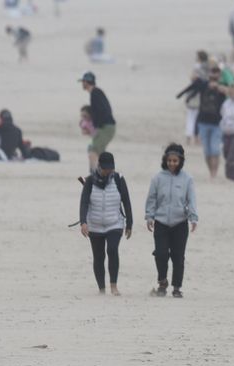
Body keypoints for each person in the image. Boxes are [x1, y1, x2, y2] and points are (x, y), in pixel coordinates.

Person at [144, 144, 198, 299]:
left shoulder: (187, 179)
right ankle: (162, 282)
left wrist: (193, 217)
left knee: (178, 256)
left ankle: (177, 287)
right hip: (161, 222)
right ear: (165, 160)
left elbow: (191, 199)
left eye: (175, 161)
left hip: (180, 223)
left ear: (180, 161)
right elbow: (152, 198)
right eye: (169, 160)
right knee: (160, 253)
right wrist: (149, 216)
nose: (172, 163)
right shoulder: (158, 178)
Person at [79, 152, 132, 296]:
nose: (108, 171)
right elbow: (84, 202)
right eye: (105, 168)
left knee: (112, 250)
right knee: (98, 256)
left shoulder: (119, 179)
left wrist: (129, 223)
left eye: (110, 168)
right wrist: (83, 222)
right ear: (99, 166)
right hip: (95, 224)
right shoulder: (90, 181)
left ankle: (114, 286)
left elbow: (126, 201)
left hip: (114, 223)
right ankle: (101, 288)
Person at [192, 65, 229, 178]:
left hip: (217, 124)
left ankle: (214, 174)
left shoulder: (223, 88)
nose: (214, 76)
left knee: (215, 150)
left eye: (216, 74)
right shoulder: (203, 86)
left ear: (220, 76)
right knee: (207, 152)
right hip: (202, 122)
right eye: (212, 73)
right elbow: (194, 82)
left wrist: (220, 88)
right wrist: (195, 132)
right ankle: (211, 172)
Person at [79, 71, 116, 174]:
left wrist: (95, 126)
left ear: (87, 82)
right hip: (106, 127)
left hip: (106, 127)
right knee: (98, 152)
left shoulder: (95, 93)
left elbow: (102, 111)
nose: (82, 84)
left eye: (83, 81)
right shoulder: (96, 93)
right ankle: (100, 175)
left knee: (93, 150)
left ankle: (95, 175)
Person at [183, 51, 210, 146]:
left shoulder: (198, 67)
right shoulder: (208, 67)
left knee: (191, 116)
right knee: (197, 117)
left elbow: (193, 78)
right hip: (203, 94)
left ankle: (189, 138)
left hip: (195, 94)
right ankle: (196, 138)